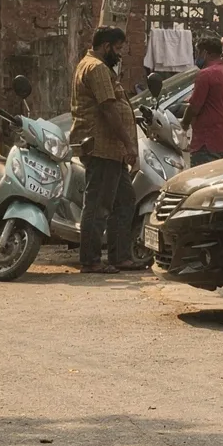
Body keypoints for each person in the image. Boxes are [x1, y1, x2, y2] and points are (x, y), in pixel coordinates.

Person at [69, 26, 139, 273]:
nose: (120, 54)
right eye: (118, 48)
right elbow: (108, 109)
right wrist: (129, 144)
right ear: (106, 46)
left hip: (111, 148)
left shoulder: (93, 65)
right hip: (101, 146)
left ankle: (120, 256)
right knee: (98, 204)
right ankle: (90, 260)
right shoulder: (97, 68)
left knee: (124, 200)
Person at [183, 36, 223, 167]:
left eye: (197, 53)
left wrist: (184, 124)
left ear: (205, 53)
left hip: (207, 142)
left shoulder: (205, 75)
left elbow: (194, 107)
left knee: (201, 184)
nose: (196, 57)